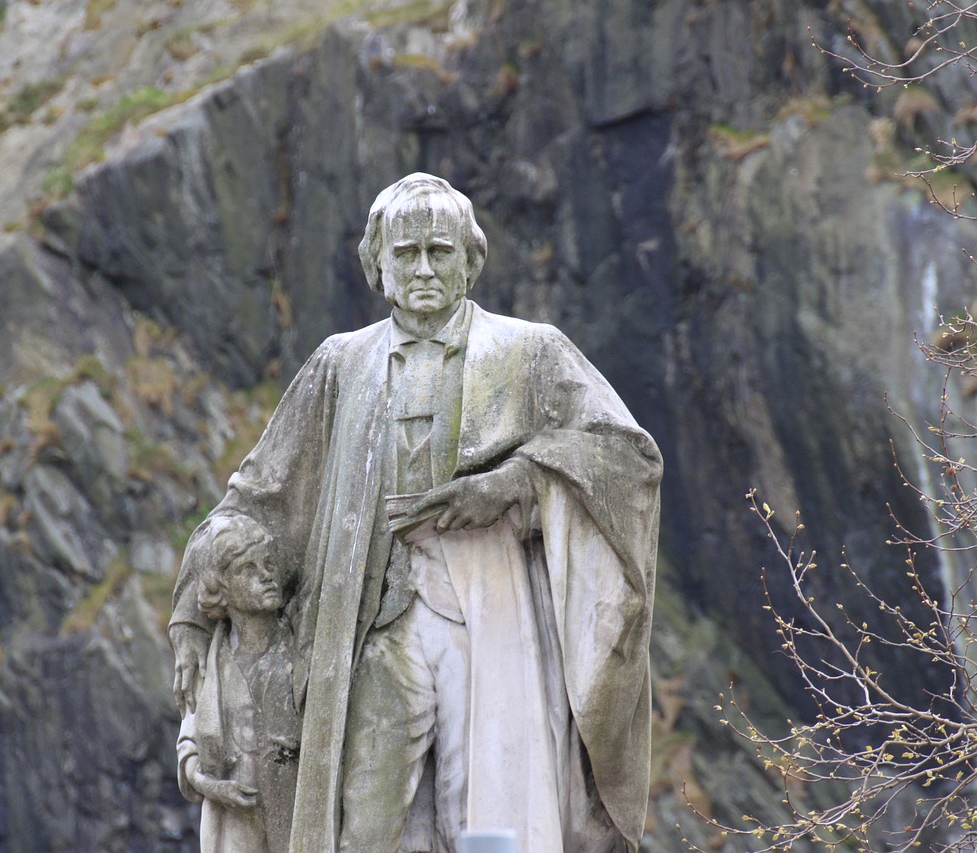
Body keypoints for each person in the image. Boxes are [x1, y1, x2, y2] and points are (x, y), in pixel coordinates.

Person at [171, 173, 662, 853]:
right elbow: (258, 500)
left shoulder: (530, 353)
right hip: (370, 627)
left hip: (493, 612)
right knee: (365, 825)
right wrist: (195, 609)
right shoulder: (338, 365)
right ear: (379, 267)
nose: (424, 267)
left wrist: (512, 483)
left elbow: (626, 456)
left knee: (493, 814)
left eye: (440, 250)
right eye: (407, 253)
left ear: (472, 259)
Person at [176, 515, 299, 853]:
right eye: (248, 569)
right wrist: (213, 788)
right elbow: (188, 751)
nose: (266, 575)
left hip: (295, 816)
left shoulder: (300, 651)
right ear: (221, 588)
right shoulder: (208, 665)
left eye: (268, 563)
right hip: (233, 828)